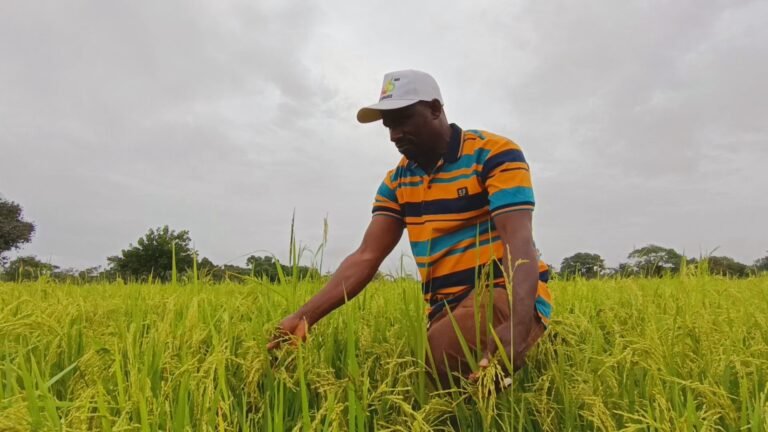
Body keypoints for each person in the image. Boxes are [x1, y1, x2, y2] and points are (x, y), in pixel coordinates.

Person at [267, 69, 553, 388]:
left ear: (434, 109)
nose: (394, 134)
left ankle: (525, 335)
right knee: (446, 387)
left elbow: (518, 240)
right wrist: (305, 315)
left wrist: (518, 322)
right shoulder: (397, 182)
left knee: (442, 354)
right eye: (388, 125)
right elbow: (366, 256)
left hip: (502, 292)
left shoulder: (493, 154)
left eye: (403, 119)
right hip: (443, 306)